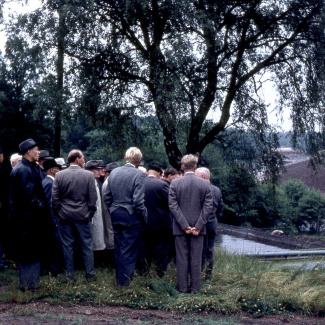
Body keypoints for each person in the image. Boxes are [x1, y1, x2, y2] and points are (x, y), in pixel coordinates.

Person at [8, 138, 53, 291]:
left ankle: (29, 284)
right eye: (36, 150)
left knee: (30, 252)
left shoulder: (28, 167)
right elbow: (30, 198)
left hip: (28, 220)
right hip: (27, 221)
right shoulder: (23, 169)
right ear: (29, 152)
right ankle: (29, 286)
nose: (38, 152)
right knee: (29, 253)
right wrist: (42, 213)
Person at [104, 147, 147, 287]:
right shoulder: (139, 175)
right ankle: (124, 284)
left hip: (115, 214)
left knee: (119, 248)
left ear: (125, 159)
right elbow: (138, 202)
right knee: (128, 250)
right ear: (139, 160)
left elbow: (106, 196)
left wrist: (112, 209)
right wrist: (144, 217)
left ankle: (119, 280)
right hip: (131, 216)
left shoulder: (114, 172)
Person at [169, 154, 213, 293]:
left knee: (182, 258)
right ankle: (195, 289)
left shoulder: (175, 183)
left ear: (182, 167)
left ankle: (182, 288)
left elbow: (172, 206)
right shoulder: (205, 184)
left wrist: (184, 225)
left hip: (180, 228)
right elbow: (208, 207)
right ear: (195, 167)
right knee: (196, 259)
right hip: (198, 229)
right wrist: (199, 226)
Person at [52, 149, 97, 283]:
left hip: (65, 216)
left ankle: (70, 276)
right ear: (77, 159)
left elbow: (54, 199)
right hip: (83, 216)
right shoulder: (88, 176)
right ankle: (90, 275)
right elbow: (93, 199)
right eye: (83, 157)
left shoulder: (59, 175)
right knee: (87, 246)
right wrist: (90, 213)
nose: (84, 160)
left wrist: (59, 213)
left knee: (67, 247)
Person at [141, 164, 171, 276]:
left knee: (145, 248)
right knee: (161, 249)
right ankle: (160, 273)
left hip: (144, 222)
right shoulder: (162, 185)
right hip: (161, 224)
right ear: (158, 173)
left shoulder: (140, 183)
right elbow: (170, 203)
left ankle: (144, 272)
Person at [195, 167, 223, 277]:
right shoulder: (217, 190)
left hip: (200, 223)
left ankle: (199, 273)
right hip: (213, 223)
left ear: (202, 177)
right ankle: (208, 273)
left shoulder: (200, 189)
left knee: (200, 249)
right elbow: (220, 207)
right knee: (210, 249)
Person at [42, 158, 64, 277]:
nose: (59, 171)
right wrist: (54, 220)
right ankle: (55, 270)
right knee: (55, 245)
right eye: (57, 169)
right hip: (52, 221)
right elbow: (48, 204)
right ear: (52, 170)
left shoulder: (47, 182)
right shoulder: (49, 183)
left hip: (52, 220)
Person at [85, 160, 106, 264]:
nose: (99, 172)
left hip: (97, 215)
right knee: (93, 239)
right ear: (91, 171)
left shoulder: (96, 182)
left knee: (97, 238)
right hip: (92, 216)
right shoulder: (90, 182)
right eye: (96, 170)